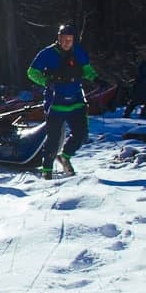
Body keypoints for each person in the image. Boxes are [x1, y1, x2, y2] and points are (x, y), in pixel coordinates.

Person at [26, 24, 98, 179]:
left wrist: (97, 79)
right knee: (53, 139)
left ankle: (65, 156)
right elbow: (32, 72)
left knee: (81, 134)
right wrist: (46, 82)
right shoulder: (47, 53)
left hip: (76, 100)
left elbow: (87, 70)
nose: (66, 43)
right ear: (58, 38)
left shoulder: (78, 51)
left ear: (73, 41)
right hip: (55, 102)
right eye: (64, 39)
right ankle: (47, 172)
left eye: (70, 40)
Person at [123, 51, 146, 119]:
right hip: (140, 85)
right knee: (135, 100)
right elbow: (142, 75)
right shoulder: (145, 64)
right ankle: (126, 115)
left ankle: (143, 114)